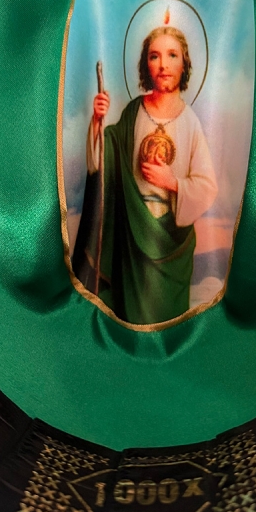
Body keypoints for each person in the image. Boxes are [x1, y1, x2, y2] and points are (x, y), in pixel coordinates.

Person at [71, 26, 218, 324]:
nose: (163, 64)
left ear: (184, 65)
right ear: (145, 65)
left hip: (170, 242)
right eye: (155, 56)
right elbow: (104, 160)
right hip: (130, 236)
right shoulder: (133, 112)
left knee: (166, 321)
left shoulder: (190, 123)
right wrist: (98, 121)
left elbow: (207, 187)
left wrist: (172, 183)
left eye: (172, 55)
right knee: (130, 319)